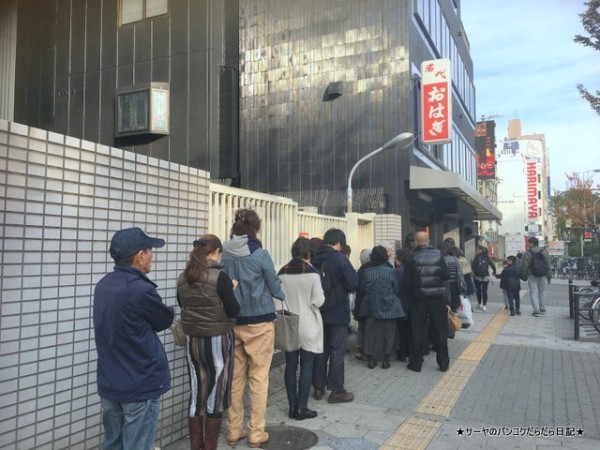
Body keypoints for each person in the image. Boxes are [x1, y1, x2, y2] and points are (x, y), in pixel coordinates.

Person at [93, 227, 174, 450]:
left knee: (113, 443)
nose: (152, 256)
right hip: (139, 383)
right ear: (140, 256)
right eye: (149, 251)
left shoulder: (103, 285)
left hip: (111, 382)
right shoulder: (140, 290)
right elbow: (164, 320)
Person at [220, 209, 285, 448]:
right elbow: (274, 286)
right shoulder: (260, 254)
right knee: (258, 378)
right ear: (255, 229)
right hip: (259, 322)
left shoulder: (223, 254)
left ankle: (233, 431)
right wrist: (280, 293)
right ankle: (256, 432)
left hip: (232, 321)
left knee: (235, 378)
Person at [176, 235, 240, 450]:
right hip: (218, 341)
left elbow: (182, 305)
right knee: (216, 391)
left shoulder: (182, 278)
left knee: (196, 390)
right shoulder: (220, 277)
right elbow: (233, 311)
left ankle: (196, 445)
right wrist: (231, 290)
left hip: (193, 341)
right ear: (216, 252)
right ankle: (210, 445)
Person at [278, 237, 325, 421]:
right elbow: (319, 300)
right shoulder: (312, 274)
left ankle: (291, 406)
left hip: (289, 324)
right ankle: (302, 407)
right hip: (308, 324)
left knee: (290, 365)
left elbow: (277, 300)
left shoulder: (282, 273)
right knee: (307, 365)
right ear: (308, 253)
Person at [311, 228, 358, 403]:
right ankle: (337, 391)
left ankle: (318, 388)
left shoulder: (315, 259)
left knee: (320, 351)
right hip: (338, 311)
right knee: (337, 351)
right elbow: (354, 283)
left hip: (318, 312)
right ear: (339, 243)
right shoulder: (340, 259)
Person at [402, 231, 451, 373]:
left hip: (418, 299)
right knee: (440, 331)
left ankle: (416, 364)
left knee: (417, 331)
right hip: (437, 298)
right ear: (429, 240)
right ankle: (443, 364)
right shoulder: (438, 254)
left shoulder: (411, 257)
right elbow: (446, 275)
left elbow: (406, 282)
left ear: (416, 242)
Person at [360, 246, 405, 369]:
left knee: (370, 333)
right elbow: (396, 289)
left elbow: (363, 289)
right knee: (389, 332)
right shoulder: (391, 271)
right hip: (389, 306)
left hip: (371, 305)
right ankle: (386, 359)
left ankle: (370, 359)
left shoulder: (367, 272)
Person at [519, 236, 551, 317]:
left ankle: (536, 310)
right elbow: (548, 264)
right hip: (542, 274)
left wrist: (523, 275)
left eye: (529, 243)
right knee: (542, 291)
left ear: (532, 243)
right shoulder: (544, 251)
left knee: (533, 292)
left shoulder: (528, 253)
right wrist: (549, 276)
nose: (528, 244)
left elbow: (524, 266)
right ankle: (542, 308)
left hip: (532, 275)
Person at [352, 248, 372, 361]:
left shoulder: (359, 271)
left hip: (359, 303)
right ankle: (367, 351)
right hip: (368, 304)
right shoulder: (371, 271)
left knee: (361, 327)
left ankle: (359, 349)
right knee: (368, 328)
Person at [394, 248, 411, 362]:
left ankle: (401, 354)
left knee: (401, 331)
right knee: (411, 330)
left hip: (399, 304)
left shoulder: (396, 272)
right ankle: (411, 351)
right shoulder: (413, 270)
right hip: (412, 304)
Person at [471, 246, 497, 311]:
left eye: (477, 249)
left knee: (478, 290)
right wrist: (494, 272)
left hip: (477, 277)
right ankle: (484, 305)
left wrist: (474, 273)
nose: (476, 250)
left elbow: (473, 265)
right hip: (486, 276)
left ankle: (479, 304)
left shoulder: (477, 257)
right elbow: (492, 265)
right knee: (485, 291)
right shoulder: (487, 257)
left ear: (480, 250)